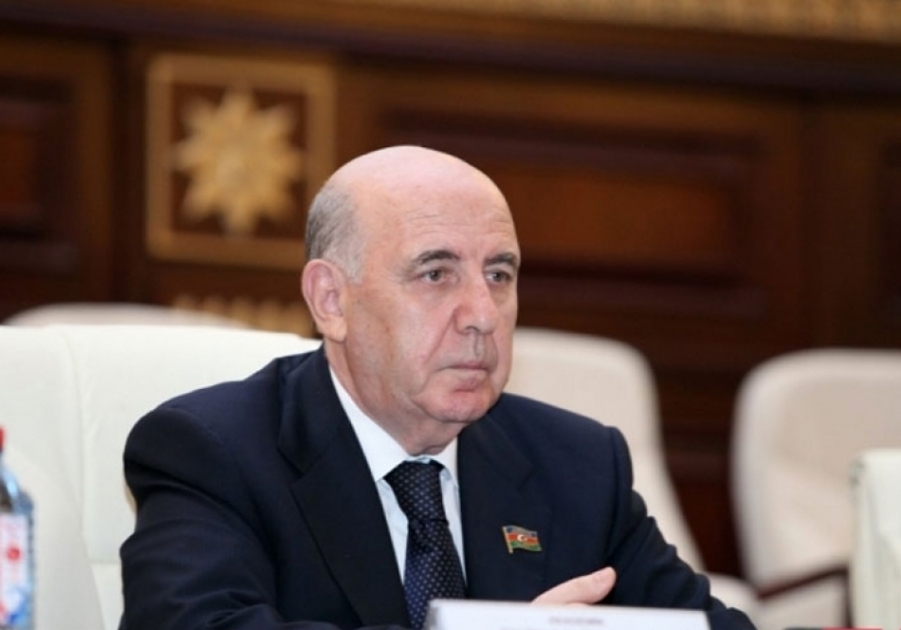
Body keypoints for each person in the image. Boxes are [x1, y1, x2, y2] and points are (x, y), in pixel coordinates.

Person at [119, 145, 756, 630]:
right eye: (435, 273)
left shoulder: (579, 465)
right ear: (331, 300)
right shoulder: (213, 452)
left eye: (499, 275)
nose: (482, 314)